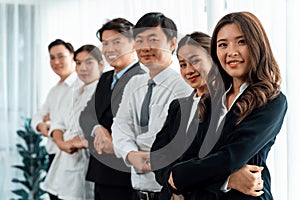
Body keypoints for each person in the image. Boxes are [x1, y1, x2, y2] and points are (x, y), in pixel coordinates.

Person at [168, 12, 288, 199]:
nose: (231, 52)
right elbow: (187, 159)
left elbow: (232, 157)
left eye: (241, 42)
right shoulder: (209, 100)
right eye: (223, 45)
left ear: (257, 45)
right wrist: (229, 180)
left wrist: (185, 175)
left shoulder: (271, 100)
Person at [151, 32, 266, 200]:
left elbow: (221, 159)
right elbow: (158, 156)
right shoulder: (178, 107)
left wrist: (186, 178)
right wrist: (174, 182)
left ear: (215, 59)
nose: (189, 70)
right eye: (182, 64)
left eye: (195, 61)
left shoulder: (231, 105)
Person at [111, 12, 192, 200]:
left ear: (172, 43)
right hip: (137, 191)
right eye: (139, 40)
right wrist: (131, 154)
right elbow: (120, 126)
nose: (145, 47)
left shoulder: (185, 86)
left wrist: (149, 155)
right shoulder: (133, 83)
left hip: (169, 192)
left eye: (153, 39)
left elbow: (178, 143)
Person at [79, 18, 145, 200]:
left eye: (117, 42)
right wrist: (97, 129)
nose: (109, 49)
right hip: (100, 171)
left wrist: (114, 143)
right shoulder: (106, 78)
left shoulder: (142, 78)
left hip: (125, 174)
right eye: (105, 43)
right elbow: (86, 115)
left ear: (133, 44)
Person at [41, 44, 104, 200]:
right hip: (62, 162)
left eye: (89, 62)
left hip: (83, 164)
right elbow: (59, 123)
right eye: (78, 62)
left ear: (101, 65)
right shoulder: (75, 91)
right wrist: (61, 143)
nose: (83, 67)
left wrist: (71, 142)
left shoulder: (101, 93)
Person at [30, 39, 79, 200]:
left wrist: (50, 123)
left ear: (72, 56)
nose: (56, 62)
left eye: (61, 56)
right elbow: (37, 117)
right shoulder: (54, 90)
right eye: (52, 57)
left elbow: (68, 123)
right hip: (52, 154)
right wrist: (42, 124)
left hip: (70, 156)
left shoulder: (80, 86)